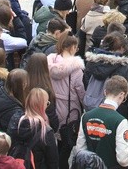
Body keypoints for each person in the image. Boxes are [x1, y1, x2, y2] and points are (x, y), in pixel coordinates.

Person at [76, 75, 128, 169]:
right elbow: (123, 160)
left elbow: (80, 149)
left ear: (105, 92)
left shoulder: (86, 116)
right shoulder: (120, 121)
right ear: (122, 95)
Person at [48, 34, 85, 169]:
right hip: (70, 109)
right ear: (72, 47)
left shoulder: (50, 63)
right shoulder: (76, 69)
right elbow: (80, 91)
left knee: (55, 140)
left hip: (53, 107)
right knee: (67, 142)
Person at [12, 88, 59, 169]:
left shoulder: (16, 122)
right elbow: (53, 162)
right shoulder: (45, 131)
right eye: (47, 103)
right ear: (42, 106)